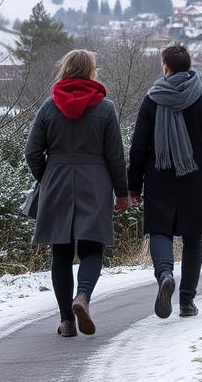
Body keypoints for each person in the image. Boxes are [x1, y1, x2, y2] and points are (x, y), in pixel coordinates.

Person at [25, 49, 130, 338]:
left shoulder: (49, 107)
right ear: (91, 71)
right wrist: (122, 193)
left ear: (65, 69)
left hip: (56, 181)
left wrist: (46, 177)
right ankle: (82, 297)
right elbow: (116, 157)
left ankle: (66, 322)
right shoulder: (105, 109)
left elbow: (32, 152)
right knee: (92, 249)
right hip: (94, 182)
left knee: (60, 252)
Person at [129, 43, 202, 319]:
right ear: (189, 66)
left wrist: (133, 186)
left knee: (160, 232)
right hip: (195, 180)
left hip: (159, 178)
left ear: (166, 67)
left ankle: (165, 275)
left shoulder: (152, 100)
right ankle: (187, 301)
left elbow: (138, 147)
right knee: (193, 239)